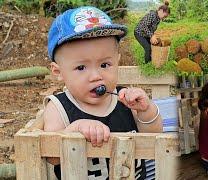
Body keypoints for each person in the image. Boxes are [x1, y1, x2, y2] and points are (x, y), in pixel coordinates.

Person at [43, 6, 163, 180]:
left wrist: (146, 111)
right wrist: (75, 130)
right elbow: (52, 157)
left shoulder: (125, 100)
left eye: (105, 65)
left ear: (117, 61)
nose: (96, 76)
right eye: (81, 67)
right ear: (58, 72)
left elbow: (154, 136)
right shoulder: (58, 107)